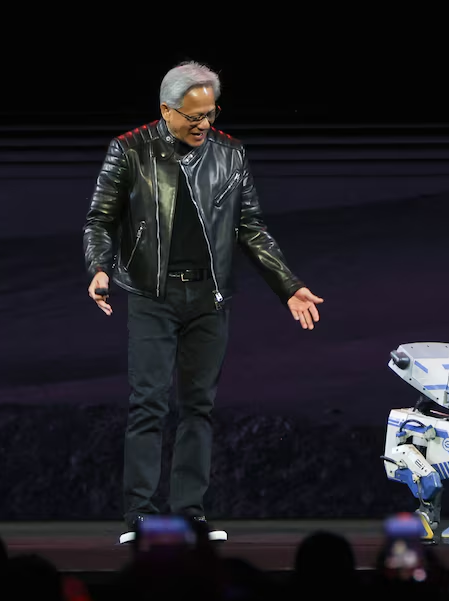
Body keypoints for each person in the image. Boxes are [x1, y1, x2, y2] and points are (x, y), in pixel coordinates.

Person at [83, 61, 323, 544]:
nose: (204, 125)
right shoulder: (129, 150)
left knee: (199, 407)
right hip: (153, 295)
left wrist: (288, 284)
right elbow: (100, 220)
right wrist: (100, 267)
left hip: (209, 298)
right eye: (193, 117)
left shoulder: (230, 155)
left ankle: (190, 513)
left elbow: (251, 227)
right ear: (166, 111)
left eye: (210, 114)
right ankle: (140, 516)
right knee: (148, 404)